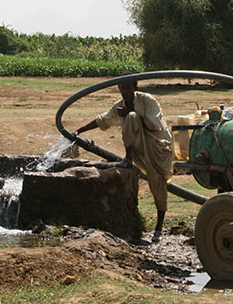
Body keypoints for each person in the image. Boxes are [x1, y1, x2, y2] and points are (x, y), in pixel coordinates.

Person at [74, 78, 173, 243]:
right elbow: (104, 120)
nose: (125, 92)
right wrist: (79, 130)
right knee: (131, 117)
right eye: (122, 88)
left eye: (128, 88)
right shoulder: (119, 105)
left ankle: (158, 228)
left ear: (135, 87)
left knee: (158, 185)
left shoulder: (147, 100)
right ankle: (128, 158)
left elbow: (155, 124)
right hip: (139, 148)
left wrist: (130, 113)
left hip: (156, 146)